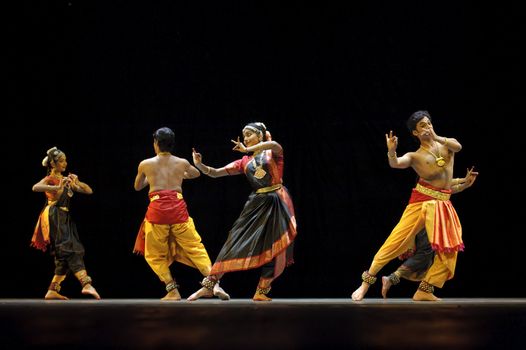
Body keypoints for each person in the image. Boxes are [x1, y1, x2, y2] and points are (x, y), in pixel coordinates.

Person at [351, 110, 473, 301]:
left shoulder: (447, 144)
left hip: (442, 205)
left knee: (450, 251)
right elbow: (396, 163)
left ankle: (425, 290)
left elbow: (458, 148)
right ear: (415, 133)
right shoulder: (415, 156)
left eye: (428, 123)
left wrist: (463, 184)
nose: (428, 127)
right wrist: (391, 151)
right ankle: (366, 283)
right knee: (395, 242)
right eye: (422, 126)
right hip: (421, 202)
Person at [187, 122, 297, 301]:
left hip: (277, 201)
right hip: (256, 204)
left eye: (249, 134)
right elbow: (215, 173)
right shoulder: (244, 162)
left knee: (276, 246)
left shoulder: (273, 152)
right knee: (234, 240)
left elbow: (272, 144)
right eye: (244, 135)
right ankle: (210, 284)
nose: (245, 138)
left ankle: (261, 291)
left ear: (260, 136)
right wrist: (200, 165)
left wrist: (248, 148)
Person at [133, 127, 228, 300]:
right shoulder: (182, 162)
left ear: (156, 143)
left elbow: (138, 186)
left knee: (154, 255)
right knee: (195, 248)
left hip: (157, 213)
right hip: (178, 211)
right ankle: (214, 284)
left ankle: (172, 290)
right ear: (172, 144)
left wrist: (151, 177)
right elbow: (196, 174)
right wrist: (179, 175)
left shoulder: (145, 164)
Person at [380, 167, 478, 298]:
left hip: (431, 218)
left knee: (428, 257)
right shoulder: (427, 178)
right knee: (426, 255)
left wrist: (465, 183)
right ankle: (394, 280)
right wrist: (463, 181)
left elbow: (447, 190)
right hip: (428, 219)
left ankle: (423, 290)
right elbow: (446, 185)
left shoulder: (435, 182)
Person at [31, 147, 101, 300]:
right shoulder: (51, 178)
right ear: (53, 164)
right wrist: (56, 187)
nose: (65, 163)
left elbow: (89, 191)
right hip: (54, 215)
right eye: (61, 161)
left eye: (65, 160)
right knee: (70, 247)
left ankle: (52, 290)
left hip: (64, 216)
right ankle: (86, 283)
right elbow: (36, 187)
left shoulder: (66, 179)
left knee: (64, 253)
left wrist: (77, 182)